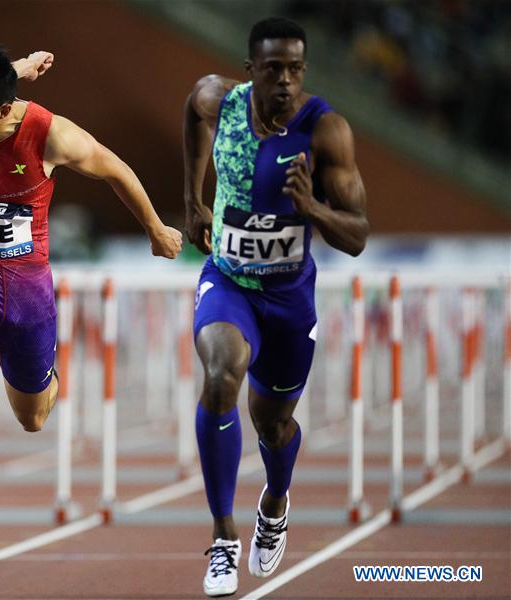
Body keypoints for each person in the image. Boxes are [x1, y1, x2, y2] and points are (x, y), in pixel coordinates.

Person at [0, 38, 182, 573]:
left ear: (1, 110)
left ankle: (46, 378)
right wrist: (14, 67)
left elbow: (114, 168)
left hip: (26, 291)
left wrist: (155, 229)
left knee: (33, 417)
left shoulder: (49, 133)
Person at [182, 17, 369, 597]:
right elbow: (192, 109)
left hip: (289, 301)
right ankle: (222, 538)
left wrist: (313, 209)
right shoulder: (222, 100)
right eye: (273, 70)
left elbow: (358, 234)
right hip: (230, 281)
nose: (285, 81)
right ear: (251, 71)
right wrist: (193, 199)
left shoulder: (326, 131)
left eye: (295, 69)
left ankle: (276, 501)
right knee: (219, 380)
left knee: (273, 423)